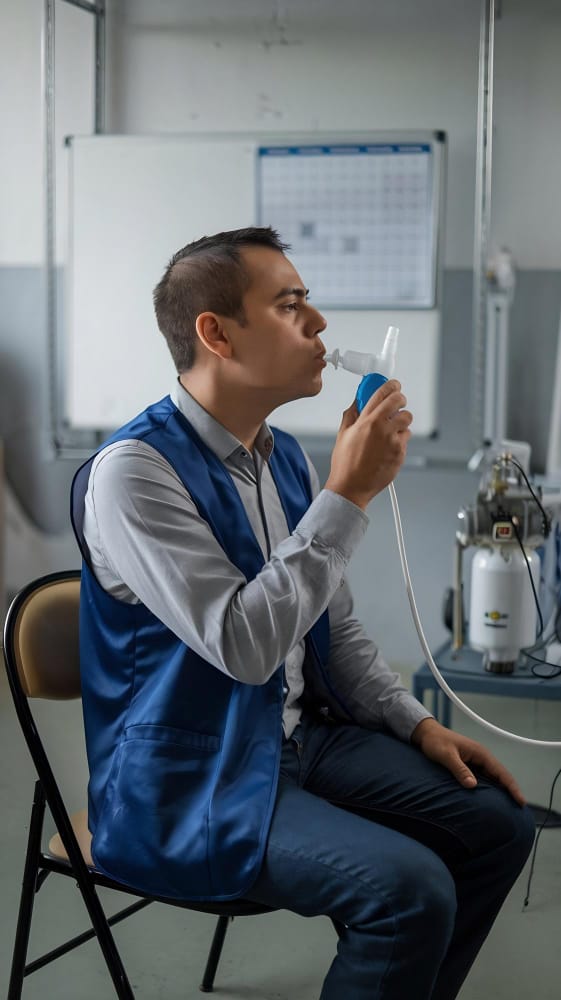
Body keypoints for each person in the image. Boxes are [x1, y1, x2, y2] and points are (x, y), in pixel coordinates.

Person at [71, 226, 535, 1000]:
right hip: (191, 778)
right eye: (291, 307)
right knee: (407, 891)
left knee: (497, 826)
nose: (319, 325)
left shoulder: (281, 455)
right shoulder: (132, 475)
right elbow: (244, 648)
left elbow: (333, 629)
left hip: (295, 739)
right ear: (215, 334)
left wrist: (414, 724)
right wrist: (346, 498)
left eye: (309, 303)